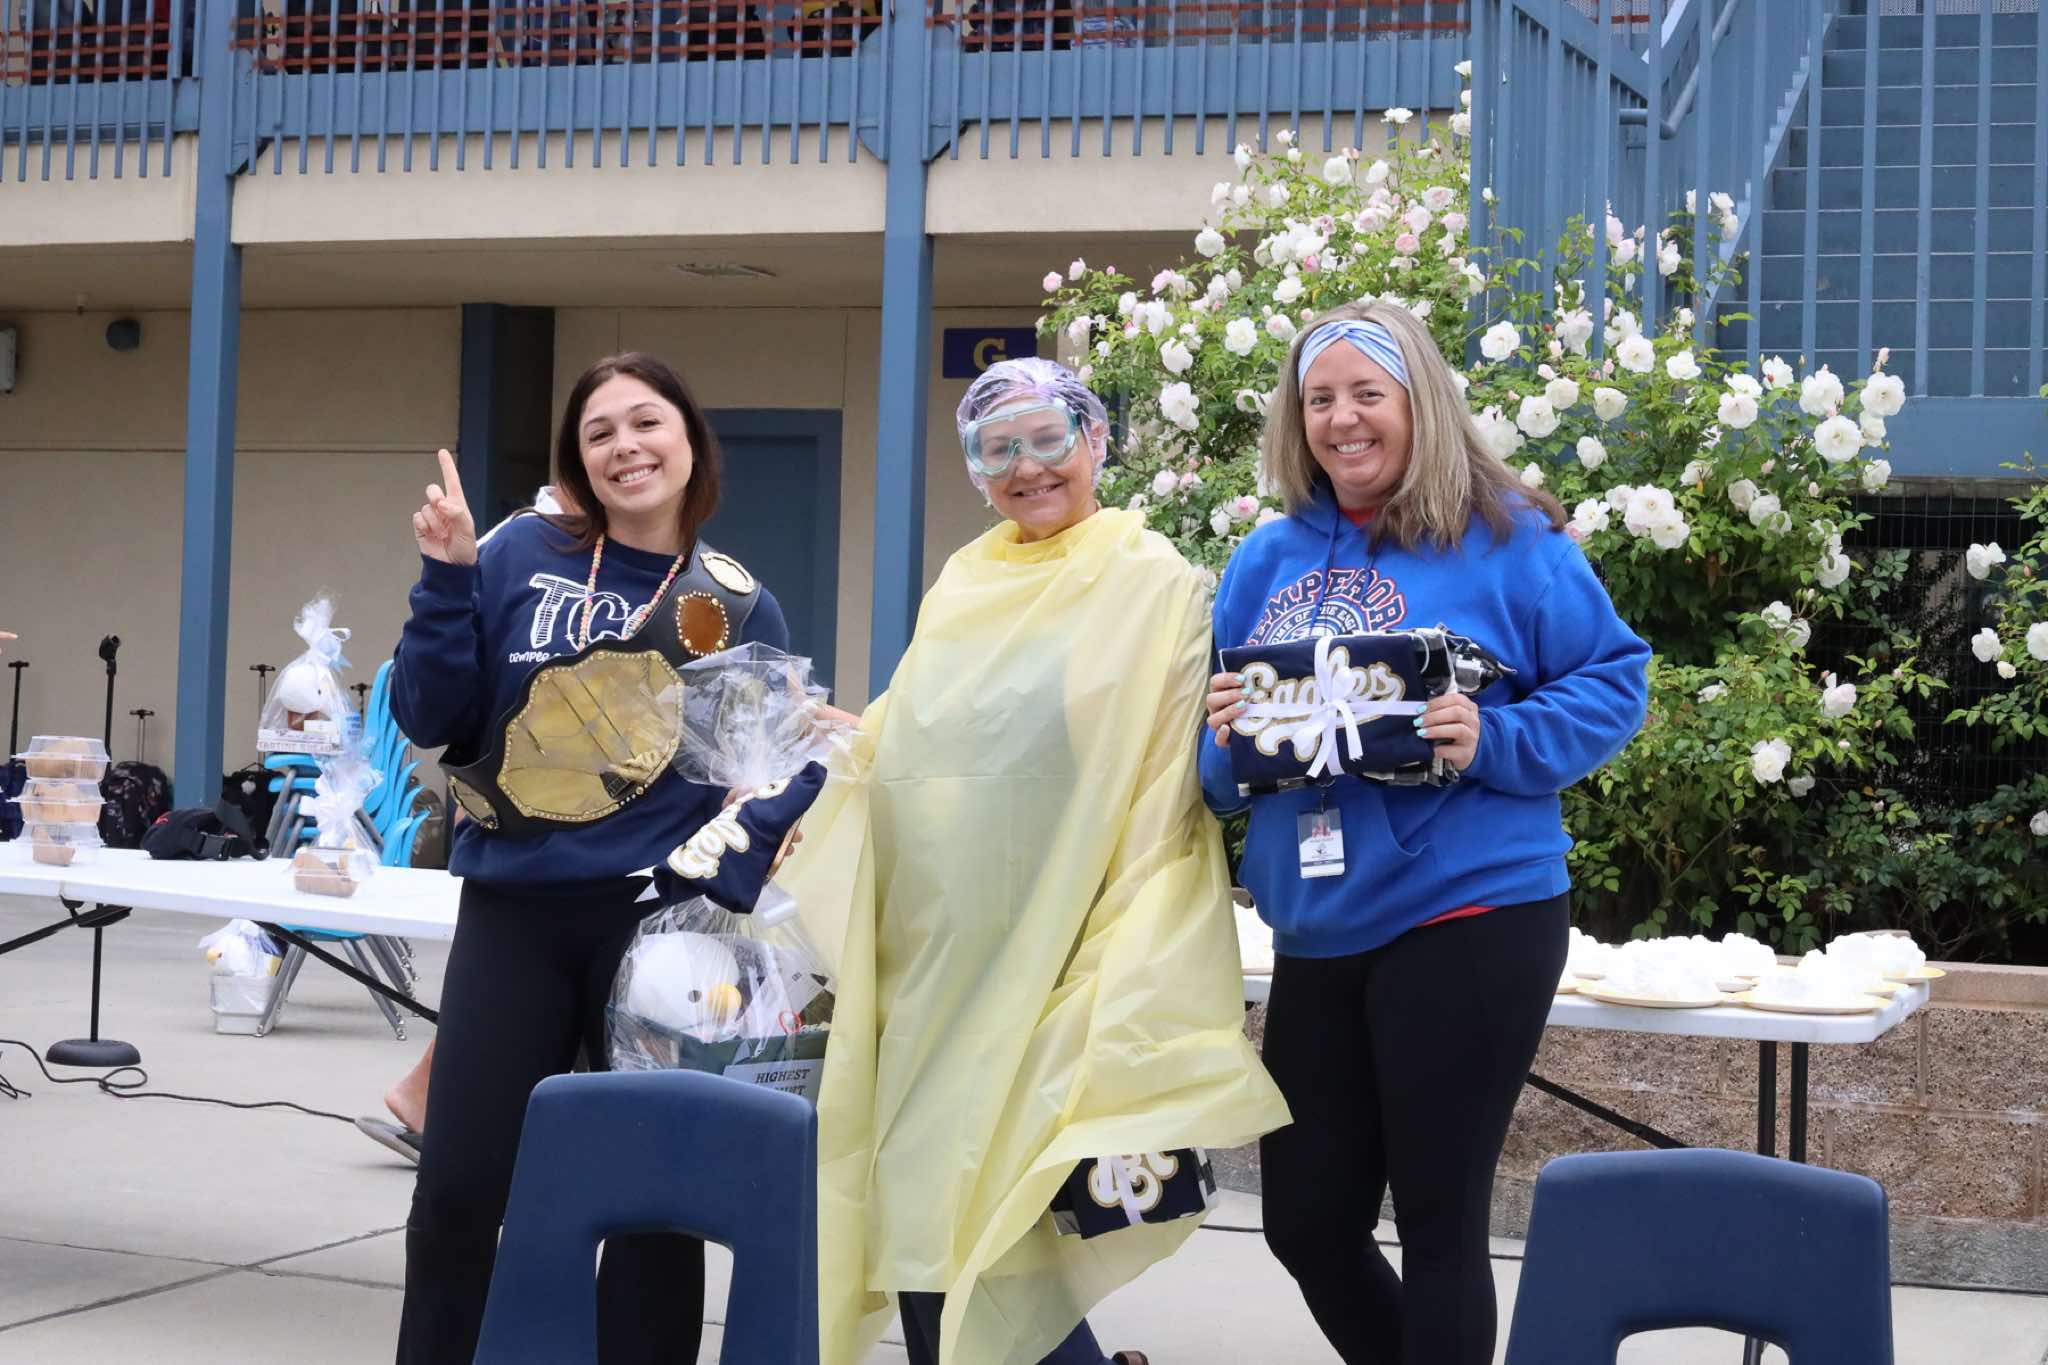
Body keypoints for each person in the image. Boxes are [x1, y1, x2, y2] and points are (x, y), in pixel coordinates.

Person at [782, 357, 1290, 1365]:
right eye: (996, 449)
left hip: (1064, 954)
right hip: (936, 966)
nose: (1026, 467)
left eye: (1047, 438)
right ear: (976, 472)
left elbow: (1162, 786)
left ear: (1094, 441)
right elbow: (911, 735)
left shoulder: (1152, 584)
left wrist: (1120, 956)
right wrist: (835, 751)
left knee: (997, 1224)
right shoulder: (963, 585)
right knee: (922, 1217)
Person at [1201, 301, 1649, 1365]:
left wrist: (1492, 737)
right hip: (1318, 924)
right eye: (1319, 398)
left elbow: (1613, 680)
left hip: (1470, 911)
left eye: (1367, 393)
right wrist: (1222, 739)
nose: (1341, 418)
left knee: (1439, 1219)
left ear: (1420, 404)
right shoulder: (1264, 560)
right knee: (1306, 1221)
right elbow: (1217, 775)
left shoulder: (1508, 539)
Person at [389, 353, 790, 1365]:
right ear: (577, 460)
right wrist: (446, 573)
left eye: (646, 422)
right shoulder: (516, 554)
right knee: (459, 1191)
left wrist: (787, 776)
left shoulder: (737, 605)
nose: (626, 447)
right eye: (599, 432)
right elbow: (430, 714)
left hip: (656, 935)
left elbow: (752, 782)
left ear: (689, 442)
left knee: (654, 1207)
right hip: (513, 917)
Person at [355, 485, 572, 1168]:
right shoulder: (514, 545)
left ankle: (434, 1100)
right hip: (521, 830)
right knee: (520, 982)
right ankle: (438, 1105)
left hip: (593, 838)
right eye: (598, 438)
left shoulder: (661, 562)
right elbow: (438, 700)